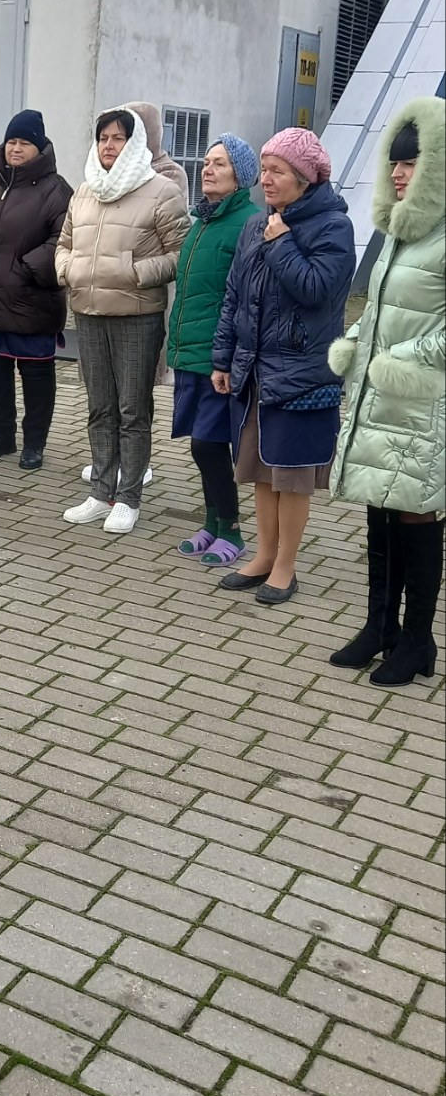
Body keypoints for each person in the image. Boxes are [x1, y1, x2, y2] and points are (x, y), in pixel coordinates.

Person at [328, 97, 445, 687]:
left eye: (411, 162)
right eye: (394, 162)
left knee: (415, 511)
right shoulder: (401, 230)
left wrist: (403, 361)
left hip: (420, 401)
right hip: (380, 396)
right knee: (380, 502)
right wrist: (355, 342)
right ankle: (381, 626)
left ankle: (418, 639)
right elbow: (379, 311)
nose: (398, 173)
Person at [211, 128, 354, 605]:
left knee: (291, 476)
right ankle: (264, 555)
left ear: (305, 178)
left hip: (302, 374)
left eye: (278, 171)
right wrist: (224, 358)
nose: (267, 180)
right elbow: (234, 296)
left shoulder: (333, 226)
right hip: (255, 369)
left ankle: (286, 567)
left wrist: (283, 244)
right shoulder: (258, 223)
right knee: (258, 469)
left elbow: (316, 290)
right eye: (265, 170)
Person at [56, 107, 190, 534]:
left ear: (135, 144)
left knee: (133, 410)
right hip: (89, 312)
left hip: (136, 316)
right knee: (100, 407)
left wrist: (135, 272)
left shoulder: (161, 191)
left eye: (118, 138)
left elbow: (181, 253)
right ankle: (101, 491)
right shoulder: (85, 190)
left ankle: (128, 497)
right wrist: (68, 270)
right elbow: (64, 243)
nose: (109, 146)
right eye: (103, 138)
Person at [0, 110, 72, 471]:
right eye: (11, 142)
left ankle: (34, 442)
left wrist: (25, 269)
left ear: (39, 148)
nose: (16, 149)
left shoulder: (56, 190)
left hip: (31, 302)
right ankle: (0, 435)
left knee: (36, 376)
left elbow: (64, 239)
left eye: (24, 143)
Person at [166, 133, 259, 566]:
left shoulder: (248, 223)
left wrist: (228, 356)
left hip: (219, 358)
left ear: (241, 176)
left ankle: (232, 531)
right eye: (206, 161)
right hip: (191, 351)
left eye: (219, 163)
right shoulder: (202, 220)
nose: (208, 169)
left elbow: (242, 298)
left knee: (209, 444)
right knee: (203, 446)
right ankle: (212, 523)